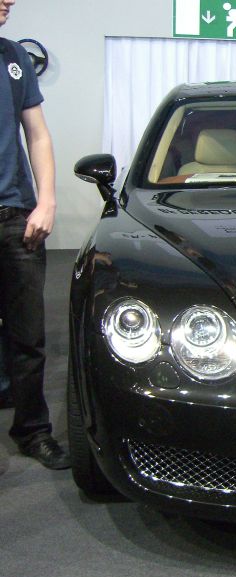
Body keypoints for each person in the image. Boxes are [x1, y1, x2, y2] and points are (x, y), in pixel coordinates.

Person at [0, 0, 70, 469]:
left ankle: (32, 430)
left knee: (27, 336)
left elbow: (37, 134)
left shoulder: (14, 57)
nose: (9, 1)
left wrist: (46, 201)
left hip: (15, 217)